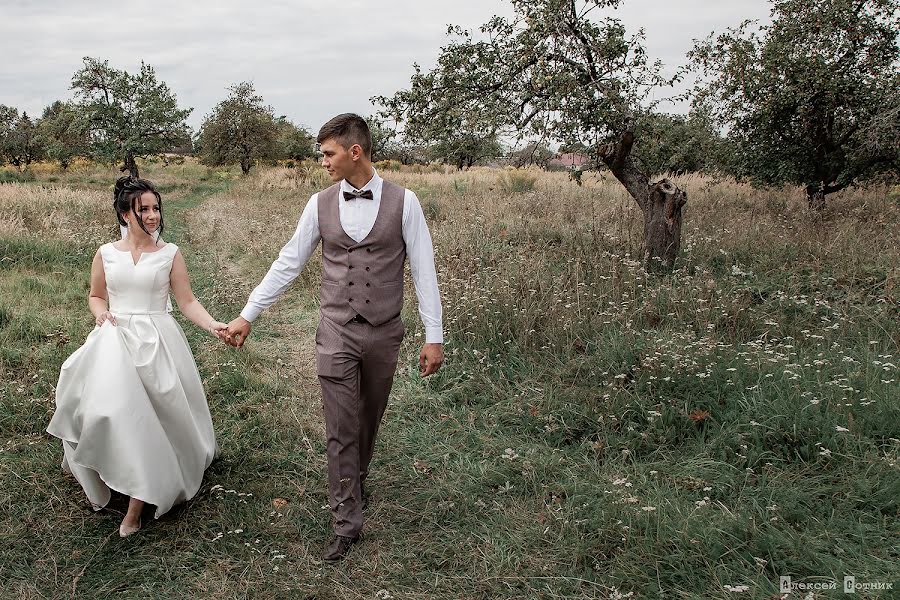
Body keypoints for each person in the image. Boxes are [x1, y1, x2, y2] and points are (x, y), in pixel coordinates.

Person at [224, 113, 444, 561]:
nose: (322, 162)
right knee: (341, 428)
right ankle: (346, 521)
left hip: (385, 334)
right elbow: (290, 261)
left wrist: (433, 335)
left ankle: (356, 477)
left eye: (328, 153)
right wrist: (249, 313)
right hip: (336, 332)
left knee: (368, 418)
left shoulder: (406, 203)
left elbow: (424, 270)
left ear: (354, 152)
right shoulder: (318, 204)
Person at [47, 176, 225, 538]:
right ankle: (108, 471)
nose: (152, 215)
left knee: (152, 418)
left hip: (158, 340)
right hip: (115, 339)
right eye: (143, 209)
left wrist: (214, 326)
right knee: (106, 411)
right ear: (125, 213)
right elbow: (97, 295)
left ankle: (138, 503)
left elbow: (187, 302)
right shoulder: (106, 253)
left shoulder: (170, 254)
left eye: (155, 208)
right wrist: (100, 313)